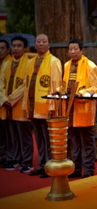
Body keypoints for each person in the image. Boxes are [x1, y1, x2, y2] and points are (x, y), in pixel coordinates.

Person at [23, 34, 62, 178]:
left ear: (49, 44)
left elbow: (56, 86)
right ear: (35, 44)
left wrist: (52, 106)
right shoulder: (30, 61)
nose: (41, 44)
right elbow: (27, 85)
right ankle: (41, 164)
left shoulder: (54, 61)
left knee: (48, 139)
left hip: (46, 106)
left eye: (44, 41)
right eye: (38, 41)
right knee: (38, 138)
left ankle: (49, 166)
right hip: (33, 106)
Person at [63, 39, 97, 178]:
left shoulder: (90, 66)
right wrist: (60, 90)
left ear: (81, 50)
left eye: (75, 49)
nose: (72, 51)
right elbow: (63, 84)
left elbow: (95, 87)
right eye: (70, 49)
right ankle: (76, 169)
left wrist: (82, 93)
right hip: (70, 109)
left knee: (87, 142)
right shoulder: (66, 65)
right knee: (74, 142)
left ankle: (88, 171)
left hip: (84, 110)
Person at [0, 36, 33, 172]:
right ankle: (14, 159)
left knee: (24, 135)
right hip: (6, 106)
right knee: (11, 135)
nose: (16, 48)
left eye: (19, 46)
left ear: (24, 48)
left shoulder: (29, 62)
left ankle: (27, 161)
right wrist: (3, 99)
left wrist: (11, 99)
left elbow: (26, 83)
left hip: (19, 105)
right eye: (14, 45)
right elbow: (0, 82)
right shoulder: (6, 64)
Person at [0, 39, 11, 167]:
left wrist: (6, 100)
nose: (0, 51)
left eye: (3, 48)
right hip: (3, 101)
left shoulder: (9, 63)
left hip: (8, 103)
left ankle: (9, 157)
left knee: (9, 134)